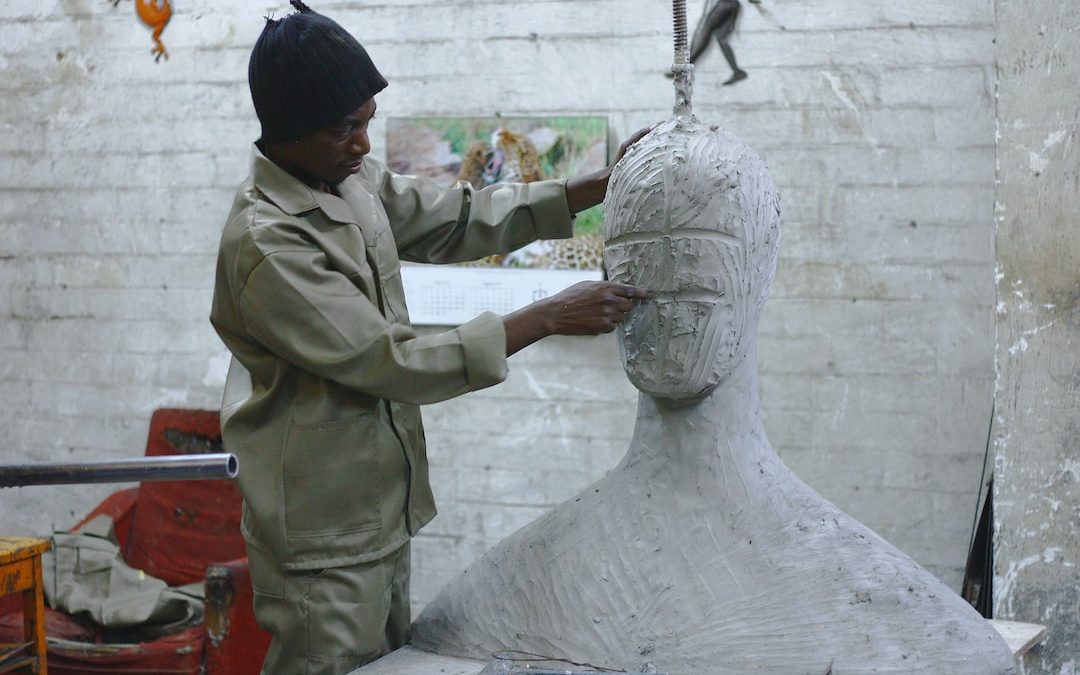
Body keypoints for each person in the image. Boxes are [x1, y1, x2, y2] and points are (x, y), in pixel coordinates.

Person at [208, 1, 649, 673]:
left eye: (367, 123)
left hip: (377, 509)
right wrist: (546, 316)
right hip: (324, 535)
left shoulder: (348, 181)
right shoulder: (269, 242)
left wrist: (584, 191)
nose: (362, 144)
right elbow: (388, 359)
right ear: (288, 129)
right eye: (344, 129)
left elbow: (454, 216)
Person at [688, 0, 762, 85]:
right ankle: (737, 72)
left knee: (707, 31)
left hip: (724, 5)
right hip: (733, 6)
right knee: (721, 38)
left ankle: (688, 65)